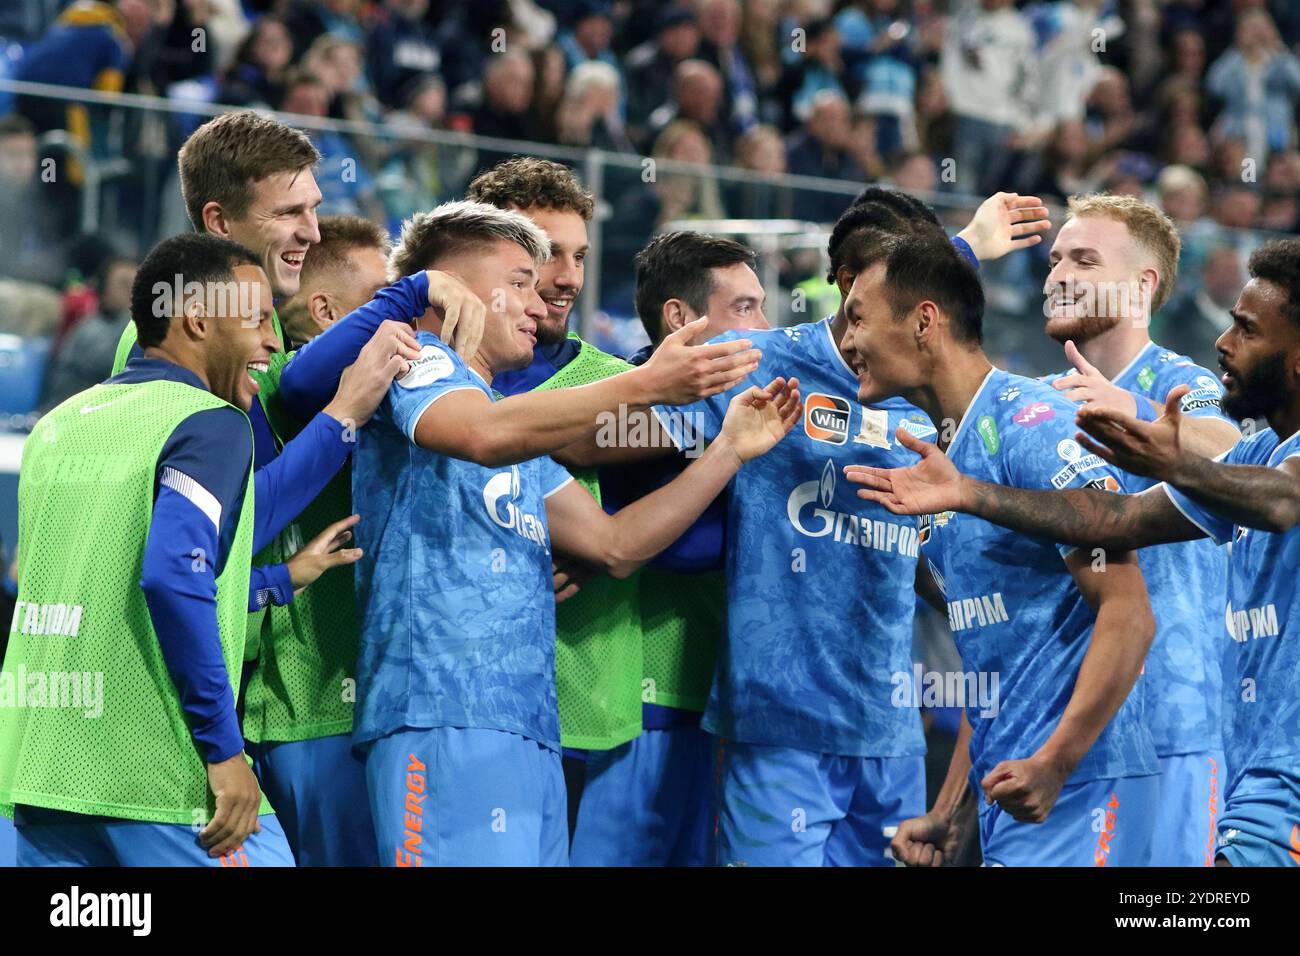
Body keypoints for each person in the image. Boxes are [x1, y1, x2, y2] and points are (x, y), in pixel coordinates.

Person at [281, 199, 785, 866]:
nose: (537, 298)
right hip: (440, 718)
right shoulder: (413, 360)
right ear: (452, 286)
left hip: (528, 733)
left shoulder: (508, 421)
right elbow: (482, 437)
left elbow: (616, 547)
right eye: (518, 281)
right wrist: (645, 385)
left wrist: (728, 451)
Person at [614, 188, 1051, 866]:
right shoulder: (760, 360)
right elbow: (615, 428)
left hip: (893, 734)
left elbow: (943, 568)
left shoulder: (931, 397)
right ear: (851, 283)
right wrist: (566, 521)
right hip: (777, 726)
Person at [850, 237, 1300, 867]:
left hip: (1156, 753)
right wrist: (971, 493)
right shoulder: (1005, 426)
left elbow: (1274, 495)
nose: (1225, 342)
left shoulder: (1168, 389)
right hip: (1243, 769)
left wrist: (1164, 444)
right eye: (1057, 257)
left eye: (1085, 258)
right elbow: (1120, 521)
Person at [110, 109, 483, 866]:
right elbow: (229, 528)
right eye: (290, 211)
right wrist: (358, 395)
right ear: (219, 219)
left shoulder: (242, 336)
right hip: (189, 727)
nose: (312, 230)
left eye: (314, 207)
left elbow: (299, 386)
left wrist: (284, 576)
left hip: (235, 701)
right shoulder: (187, 350)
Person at [0, 231, 399, 866]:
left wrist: (273, 582)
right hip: (156, 772)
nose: (272, 340)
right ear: (197, 320)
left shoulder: (58, 425)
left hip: (41, 771)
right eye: (258, 320)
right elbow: (169, 580)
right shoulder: (209, 423)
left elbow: (107, 588)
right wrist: (223, 752)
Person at [839, 224, 1160, 867]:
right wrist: (952, 809)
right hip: (1016, 790)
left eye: (856, 318)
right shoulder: (940, 454)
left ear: (924, 321)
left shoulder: (1028, 422)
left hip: (1081, 786)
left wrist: (1056, 762)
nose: (846, 341)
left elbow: (1130, 615)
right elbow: (995, 661)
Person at [1034, 195, 1240, 866]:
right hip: (1061, 731)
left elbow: (1227, 441)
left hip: (1170, 728)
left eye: (1084, 260)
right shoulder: (1036, 400)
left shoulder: (1191, 382)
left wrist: (1140, 410)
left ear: (1142, 285)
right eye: (1056, 257)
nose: (1056, 274)